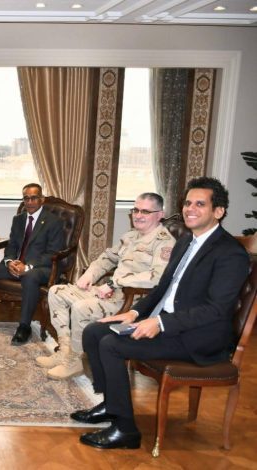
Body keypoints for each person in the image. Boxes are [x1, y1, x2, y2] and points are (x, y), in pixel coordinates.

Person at [72, 177, 250, 450]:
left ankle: (125, 430)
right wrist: (134, 313)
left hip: (198, 337)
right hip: (171, 325)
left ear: (218, 211)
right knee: (94, 331)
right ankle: (111, 404)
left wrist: (161, 323)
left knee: (111, 345)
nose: (190, 209)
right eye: (187, 203)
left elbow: (215, 309)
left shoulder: (230, 253)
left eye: (200, 204)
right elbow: (162, 289)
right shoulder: (186, 241)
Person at [37, 192, 175, 380]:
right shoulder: (131, 236)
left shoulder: (164, 242)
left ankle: (75, 361)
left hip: (133, 302)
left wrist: (113, 283)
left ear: (160, 214)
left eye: (145, 211)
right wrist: (89, 275)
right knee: (56, 291)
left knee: (81, 307)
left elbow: (157, 277)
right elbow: (108, 258)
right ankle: (66, 350)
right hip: (111, 293)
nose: (138, 215)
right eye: (135, 210)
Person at [0, 183, 65, 345]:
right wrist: (10, 261)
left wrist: (27, 266)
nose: (29, 202)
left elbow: (53, 252)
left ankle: (24, 327)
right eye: (26, 198)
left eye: (34, 198)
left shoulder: (54, 222)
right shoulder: (18, 220)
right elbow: (11, 245)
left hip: (42, 268)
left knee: (30, 277)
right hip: (17, 265)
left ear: (42, 199)